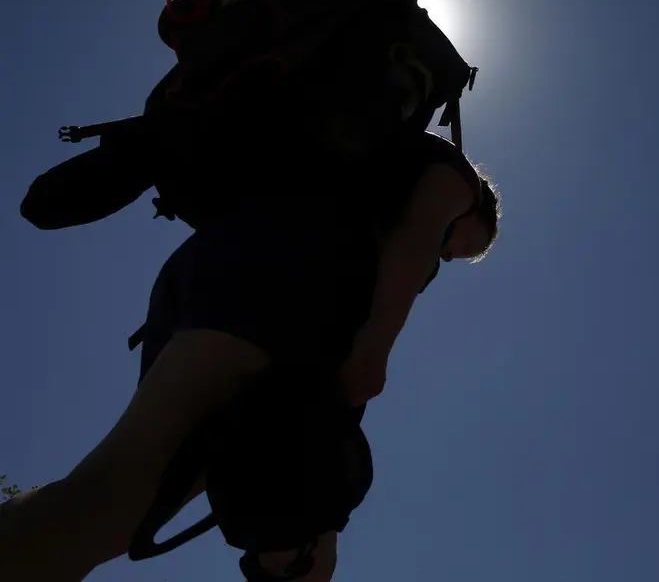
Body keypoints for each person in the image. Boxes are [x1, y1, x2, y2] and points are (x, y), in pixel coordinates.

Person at [0, 130, 501, 582]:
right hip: (275, 299)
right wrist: (373, 352)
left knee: (123, 508)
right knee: (107, 504)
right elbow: (413, 244)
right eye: (454, 246)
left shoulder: (356, 169)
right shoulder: (453, 177)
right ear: (475, 208)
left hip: (212, 282)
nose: (443, 257)